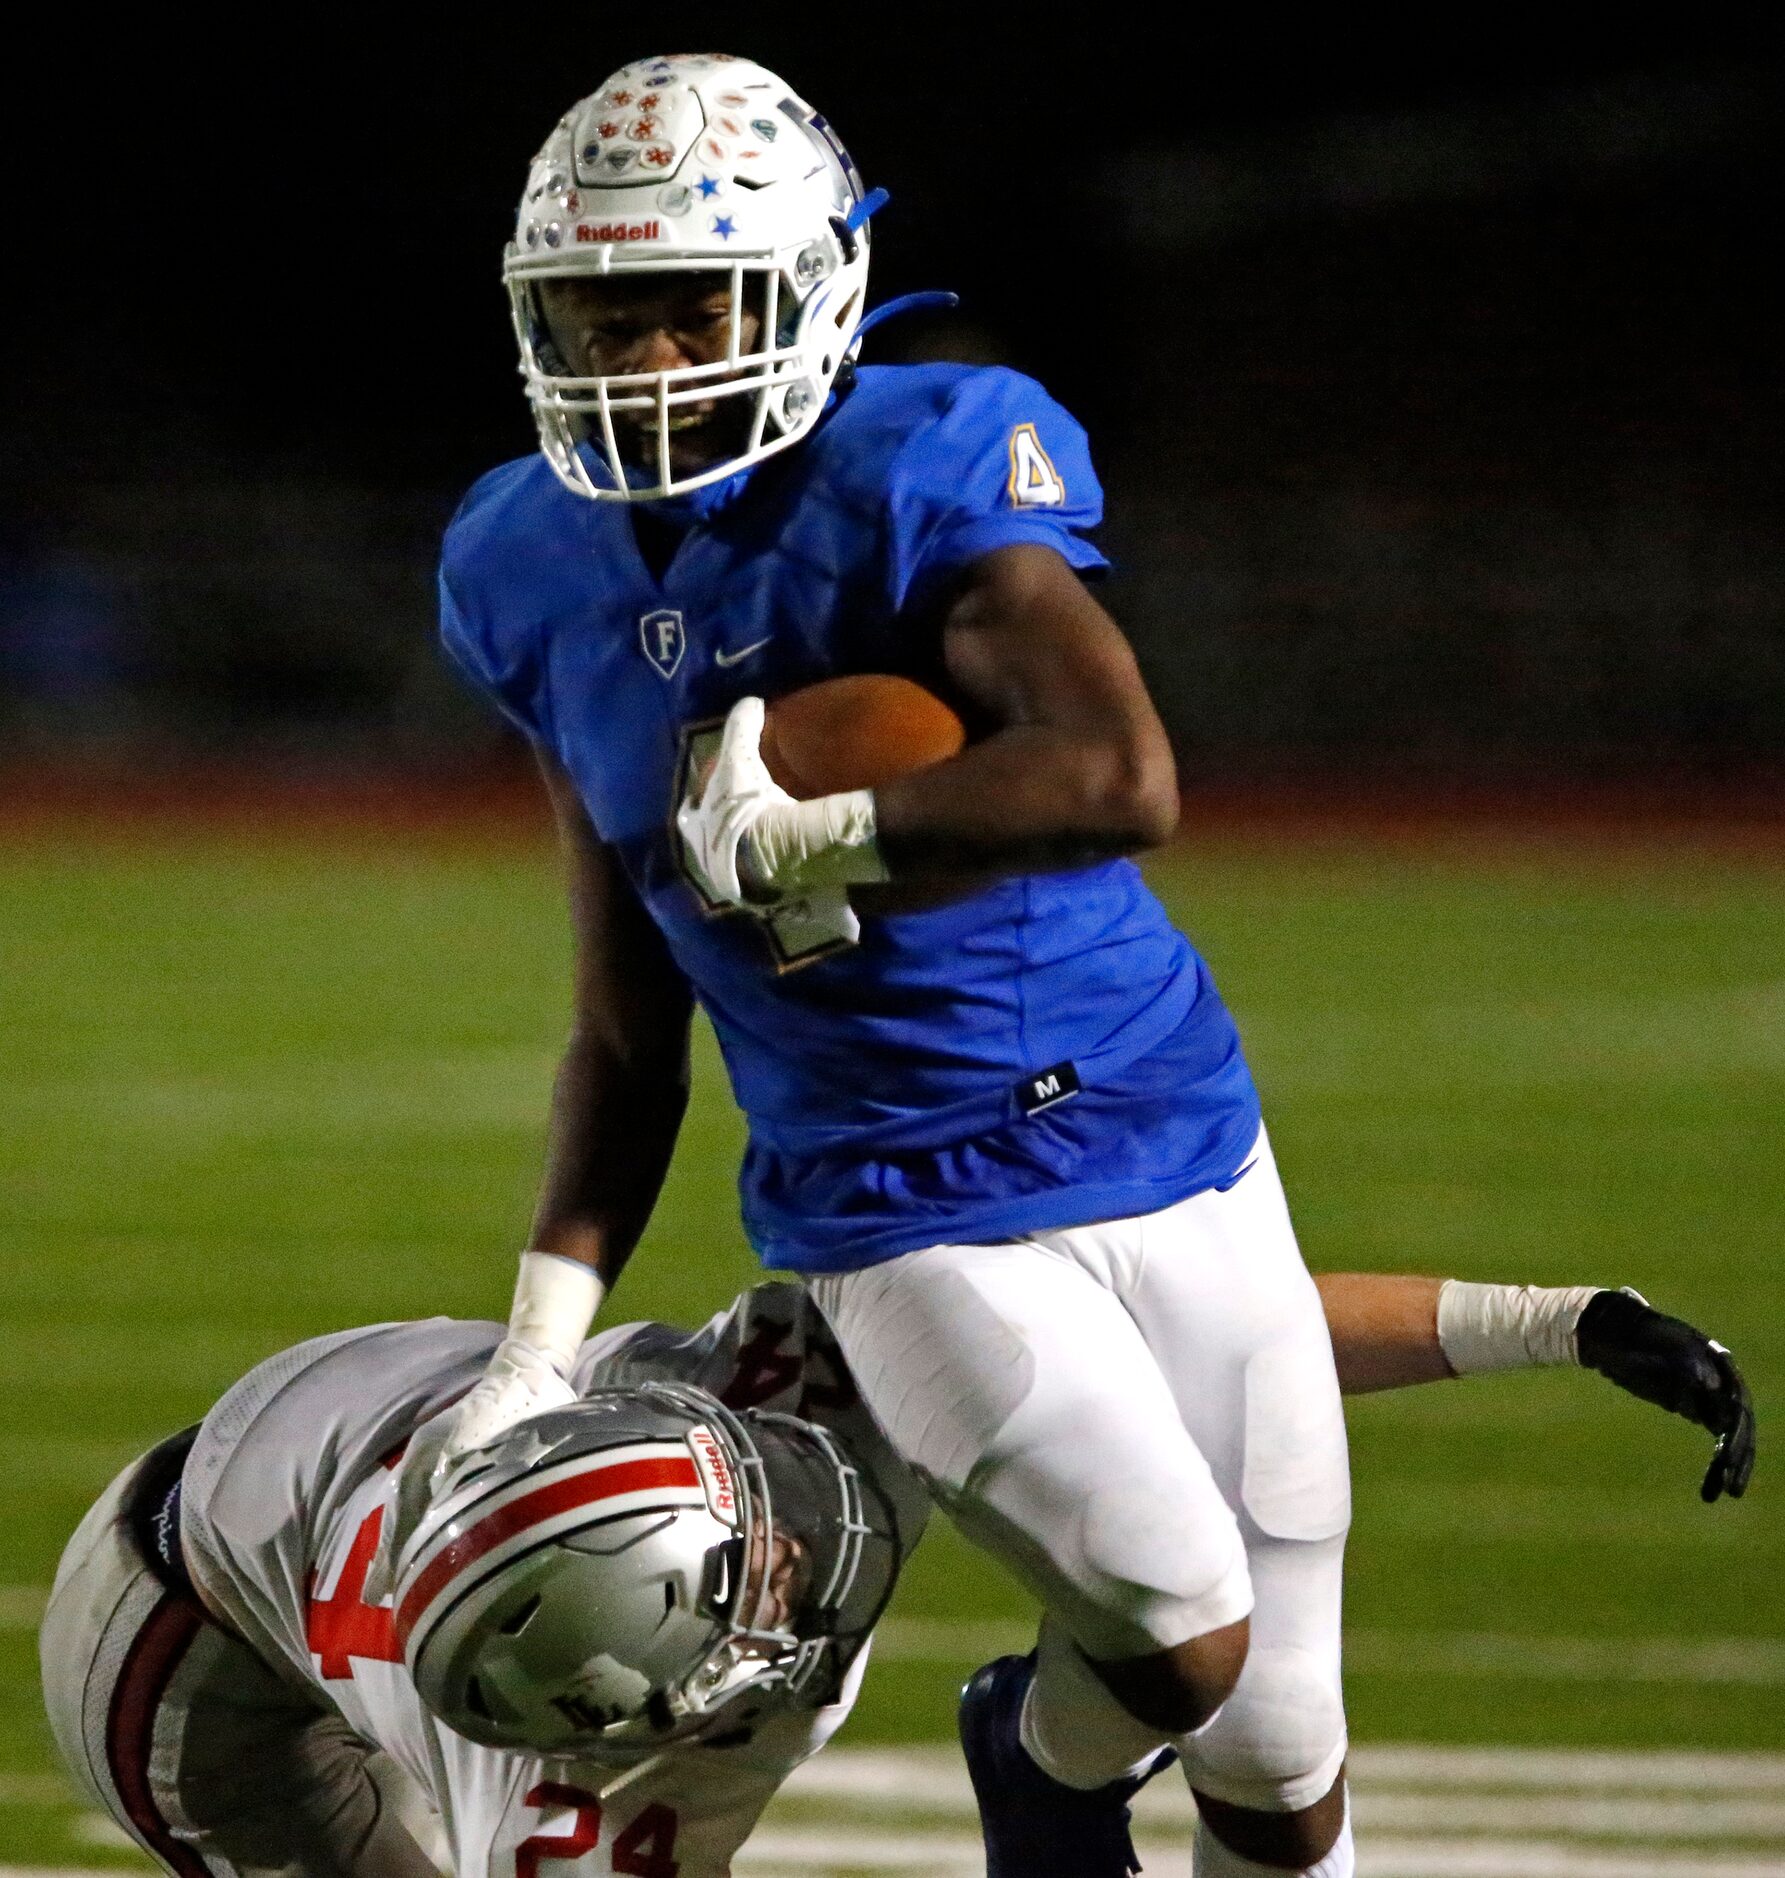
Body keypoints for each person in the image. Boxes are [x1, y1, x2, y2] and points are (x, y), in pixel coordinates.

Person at [421, 53, 1756, 1878]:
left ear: (809, 289)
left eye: (684, 307)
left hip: (1165, 1113)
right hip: (892, 1197)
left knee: (1287, 1783)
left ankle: (1041, 1740)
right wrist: (531, 1351)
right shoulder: (522, 559)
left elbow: (1123, 775)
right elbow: (623, 1024)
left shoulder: (927, 458)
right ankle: (1047, 1766)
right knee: (1187, 1633)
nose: (641, 357)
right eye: (598, 310)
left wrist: (828, 838)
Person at [40, 1274, 1751, 1878]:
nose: (807, 1530)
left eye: (755, 1501)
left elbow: (1209, 1331)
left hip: (317, 1466)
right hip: (181, 1654)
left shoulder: (789, 1372)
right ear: (661, 1694)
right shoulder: (591, 1802)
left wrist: (1552, 1319)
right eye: (763, 1575)